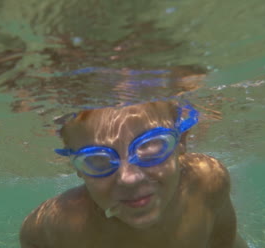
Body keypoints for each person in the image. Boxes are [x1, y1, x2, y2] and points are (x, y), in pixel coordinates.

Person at [19, 100, 248, 248]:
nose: (129, 178)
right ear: (78, 168)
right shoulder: (65, 224)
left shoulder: (208, 181)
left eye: (151, 146)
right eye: (97, 160)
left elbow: (225, 242)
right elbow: (30, 238)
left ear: (181, 142)